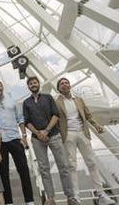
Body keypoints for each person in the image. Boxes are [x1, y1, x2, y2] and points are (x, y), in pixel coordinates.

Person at [22, 76, 78, 205]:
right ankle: (51, 198)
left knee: (63, 166)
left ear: (38, 84)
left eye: (35, 82)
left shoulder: (48, 98)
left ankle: (70, 197)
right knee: (44, 169)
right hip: (37, 139)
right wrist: (38, 133)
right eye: (30, 83)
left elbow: (55, 115)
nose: (33, 84)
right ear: (28, 87)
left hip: (53, 134)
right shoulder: (26, 103)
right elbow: (27, 121)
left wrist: (46, 131)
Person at [56, 77, 110, 201]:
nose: (64, 85)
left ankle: (101, 193)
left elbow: (88, 115)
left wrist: (96, 125)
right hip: (68, 134)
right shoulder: (56, 102)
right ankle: (76, 195)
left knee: (91, 162)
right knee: (72, 165)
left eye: (66, 83)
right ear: (59, 88)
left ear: (69, 85)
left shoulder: (79, 100)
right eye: (62, 84)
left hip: (82, 132)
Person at [0, 79, 34, 205]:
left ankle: (30, 201)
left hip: (15, 138)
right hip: (0, 141)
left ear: (2, 87)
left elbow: (20, 119)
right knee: (3, 173)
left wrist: (24, 136)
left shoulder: (12, 101)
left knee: (23, 169)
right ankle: (8, 202)